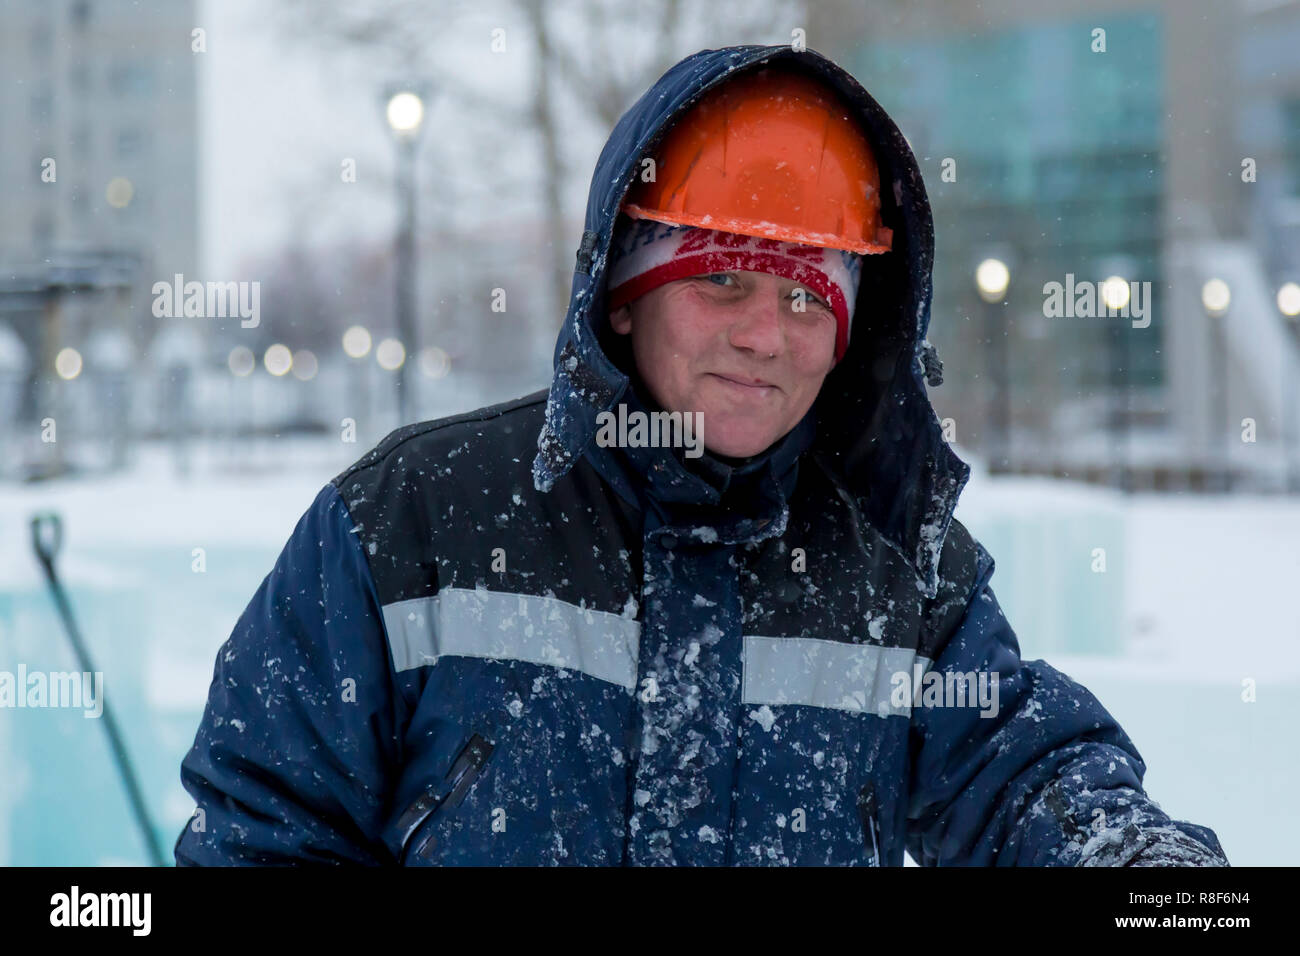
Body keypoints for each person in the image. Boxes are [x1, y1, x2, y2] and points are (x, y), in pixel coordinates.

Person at [174, 45, 1229, 866]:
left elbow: (1023, 774)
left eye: (805, 295)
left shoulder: (899, 567)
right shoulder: (410, 520)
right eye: (720, 279)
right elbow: (266, 829)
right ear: (623, 301)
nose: (764, 335)